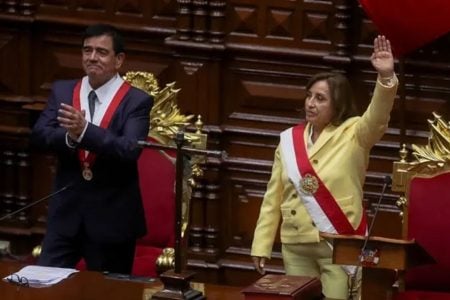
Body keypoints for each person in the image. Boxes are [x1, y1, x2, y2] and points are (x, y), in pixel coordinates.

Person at [250, 35, 398, 299]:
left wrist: (386, 78)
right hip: (296, 244)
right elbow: (273, 196)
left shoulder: (355, 133)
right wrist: (261, 244)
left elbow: (377, 116)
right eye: (309, 96)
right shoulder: (289, 140)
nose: (310, 103)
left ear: (337, 104)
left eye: (320, 98)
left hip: (338, 243)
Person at [31, 23, 153, 274]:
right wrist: (71, 138)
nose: (92, 58)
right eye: (87, 50)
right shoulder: (63, 90)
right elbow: (40, 136)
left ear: (119, 60)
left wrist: (85, 131)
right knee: (42, 286)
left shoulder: (136, 101)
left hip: (112, 220)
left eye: (101, 52)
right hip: (65, 216)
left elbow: (129, 149)